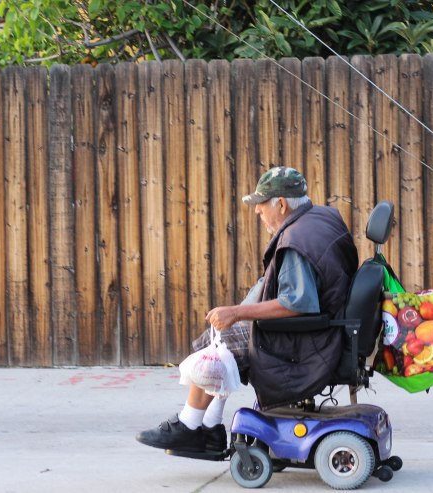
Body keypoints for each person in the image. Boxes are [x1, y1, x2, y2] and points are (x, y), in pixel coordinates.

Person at [136, 166, 359, 453]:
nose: (257, 211)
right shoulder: (322, 217)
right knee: (221, 335)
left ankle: (190, 425)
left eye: (261, 204)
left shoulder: (296, 242)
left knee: (216, 348)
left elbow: (297, 304)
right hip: (328, 330)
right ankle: (211, 427)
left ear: (281, 204)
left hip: (309, 344)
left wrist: (238, 313)